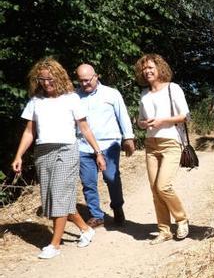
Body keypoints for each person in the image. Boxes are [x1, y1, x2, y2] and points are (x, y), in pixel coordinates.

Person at [11, 57, 106, 260]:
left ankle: (54, 245)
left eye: (50, 79)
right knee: (53, 199)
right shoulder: (35, 102)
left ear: (59, 77)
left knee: (59, 195)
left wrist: (98, 152)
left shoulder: (72, 98)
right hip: (42, 153)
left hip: (66, 151)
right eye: (42, 79)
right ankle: (86, 230)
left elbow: (85, 128)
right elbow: (29, 132)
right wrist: (19, 155)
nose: (46, 83)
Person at [134, 54, 189, 244]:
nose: (147, 71)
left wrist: (162, 120)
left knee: (163, 186)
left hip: (171, 142)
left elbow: (184, 116)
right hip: (151, 144)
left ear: (159, 68)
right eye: (144, 68)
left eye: (150, 67)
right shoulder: (144, 94)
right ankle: (164, 230)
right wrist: (142, 123)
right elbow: (140, 120)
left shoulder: (173, 89)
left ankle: (181, 220)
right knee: (155, 190)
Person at [75, 64, 136, 227]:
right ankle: (96, 215)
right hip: (83, 146)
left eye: (87, 80)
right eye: (81, 81)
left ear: (96, 76)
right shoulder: (74, 96)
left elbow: (123, 115)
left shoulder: (111, 94)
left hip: (109, 145)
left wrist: (128, 138)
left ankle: (117, 208)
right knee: (88, 182)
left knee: (111, 178)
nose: (84, 84)